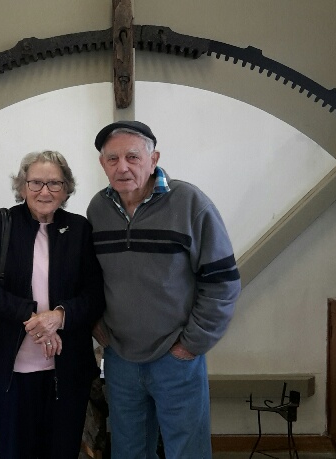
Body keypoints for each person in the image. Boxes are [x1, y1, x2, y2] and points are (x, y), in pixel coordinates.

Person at [86, 121, 241, 459]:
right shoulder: (98, 210)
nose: (122, 167)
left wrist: (191, 344)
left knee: (187, 452)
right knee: (128, 451)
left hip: (176, 358)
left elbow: (223, 281)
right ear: (102, 164)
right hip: (121, 359)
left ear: (153, 159)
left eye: (132, 156)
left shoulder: (190, 204)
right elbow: (90, 277)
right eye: (112, 159)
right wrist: (97, 326)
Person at [0, 150, 105, 459]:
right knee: (15, 451)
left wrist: (58, 317)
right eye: (36, 183)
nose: (45, 191)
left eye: (54, 183)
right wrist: (33, 319)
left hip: (67, 370)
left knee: (62, 450)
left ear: (66, 189)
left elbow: (95, 294)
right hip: (9, 370)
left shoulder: (79, 230)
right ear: (22, 187)